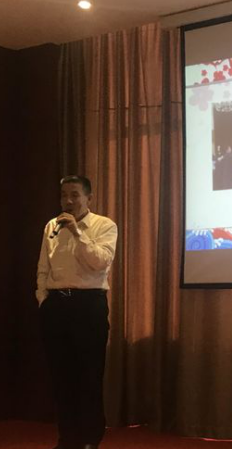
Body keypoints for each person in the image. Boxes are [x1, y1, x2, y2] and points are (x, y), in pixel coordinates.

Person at [36, 175, 118, 449]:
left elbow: (99, 262)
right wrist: (43, 299)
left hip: (88, 306)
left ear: (89, 198)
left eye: (74, 195)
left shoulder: (104, 225)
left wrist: (77, 232)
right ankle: (67, 438)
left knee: (89, 376)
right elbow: (43, 267)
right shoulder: (51, 226)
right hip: (56, 307)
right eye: (63, 195)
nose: (68, 201)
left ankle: (90, 439)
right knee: (61, 378)